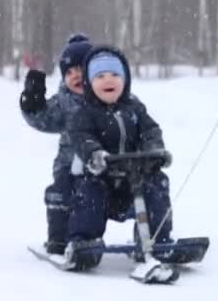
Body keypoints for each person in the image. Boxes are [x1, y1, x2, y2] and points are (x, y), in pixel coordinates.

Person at [65, 46, 173, 270]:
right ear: (89, 82)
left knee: (157, 184)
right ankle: (85, 242)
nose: (108, 80)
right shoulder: (83, 112)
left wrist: (155, 151)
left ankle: (154, 238)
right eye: (100, 76)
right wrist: (95, 154)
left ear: (125, 79)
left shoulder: (135, 108)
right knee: (89, 194)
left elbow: (150, 130)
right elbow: (81, 137)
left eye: (115, 75)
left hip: (134, 178)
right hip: (101, 176)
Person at [19, 33, 93, 255]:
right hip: (70, 165)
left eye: (81, 69)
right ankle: (59, 238)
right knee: (61, 192)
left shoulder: (110, 96)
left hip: (108, 164)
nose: (75, 76)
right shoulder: (64, 102)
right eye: (69, 72)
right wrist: (32, 100)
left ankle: (150, 235)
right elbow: (42, 118)